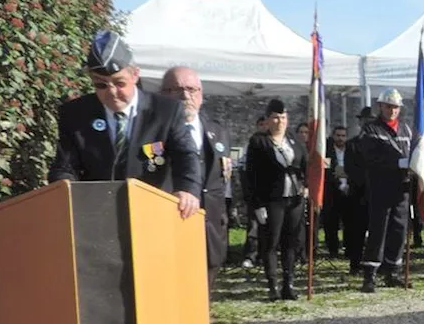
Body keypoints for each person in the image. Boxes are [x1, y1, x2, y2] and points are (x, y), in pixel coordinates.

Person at [48, 30, 201, 218]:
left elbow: (186, 155)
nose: (112, 92)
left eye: (119, 83)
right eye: (101, 85)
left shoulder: (166, 111)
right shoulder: (76, 114)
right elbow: (65, 166)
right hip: (97, 215)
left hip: (152, 213)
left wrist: (187, 189)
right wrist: (63, 191)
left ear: (135, 75)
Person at [161, 67, 230, 292]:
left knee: (204, 291)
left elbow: (221, 176)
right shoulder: (153, 133)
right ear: (163, 94)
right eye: (177, 90)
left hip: (210, 227)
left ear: (201, 93)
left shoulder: (217, 132)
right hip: (172, 222)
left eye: (192, 89)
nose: (185, 96)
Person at [244, 100, 307, 301]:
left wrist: (306, 185)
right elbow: (251, 176)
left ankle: (289, 283)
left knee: (291, 242)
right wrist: (257, 204)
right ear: (268, 120)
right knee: (271, 242)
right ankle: (273, 285)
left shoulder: (294, 143)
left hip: (294, 199)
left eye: (283, 117)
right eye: (276, 117)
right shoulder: (258, 142)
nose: (280, 121)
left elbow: (304, 167)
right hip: (271, 200)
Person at [358, 88, 414, 293]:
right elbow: (370, 158)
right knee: (378, 230)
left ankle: (393, 271)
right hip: (381, 185)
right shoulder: (371, 129)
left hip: (402, 187)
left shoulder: (406, 130)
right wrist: (398, 162)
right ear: (380, 106)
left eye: (396, 107)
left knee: (399, 229)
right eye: (388, 106)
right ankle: (370, 275)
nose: (392, 111)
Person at [343, 106, 374, 274]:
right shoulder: (352, 144)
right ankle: (355, 263)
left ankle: (374, 262)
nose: (367, 123)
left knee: (377, 231)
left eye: (370, 120)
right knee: (357, 231)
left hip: (377, 193)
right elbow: (350, 168)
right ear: (360, 122)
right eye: (365, 120)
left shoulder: (381, 142)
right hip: (359, 193)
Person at [238, 112, 268, 268]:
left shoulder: (274, 144)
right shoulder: (251, 144)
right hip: (254, 193)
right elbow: (243, 169)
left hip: (271, 193)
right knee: (253, 226)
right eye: (261, 125)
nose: (264, 127)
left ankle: (266, 255)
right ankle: (251, 256)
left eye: (266, 124)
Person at [322, 125, 350, 258]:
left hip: (349, 190)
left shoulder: (351, 149)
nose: (340, 138)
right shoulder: (327, 150)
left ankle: (348, 248)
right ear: (333, 136)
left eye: (343, 136)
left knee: (349, 221)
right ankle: (333, 249)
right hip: (332, 190)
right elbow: (326, 169)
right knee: (331, 221)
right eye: (338, 135)